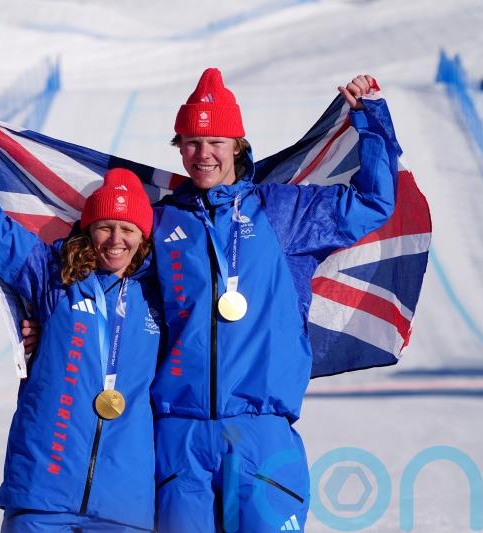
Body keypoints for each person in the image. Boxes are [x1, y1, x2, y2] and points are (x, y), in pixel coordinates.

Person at [149, 69, 398, 531]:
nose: (203, 154)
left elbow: (373, 203)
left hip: (261, 433)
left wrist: (370, 120)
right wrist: (42, 327)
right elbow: (110, 292)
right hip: (178, 438)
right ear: (179, 147)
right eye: (191, 142)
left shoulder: (281, 211)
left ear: (237, 145)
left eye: (215, 141)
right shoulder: (159, 224)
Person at [0, 105, 163, 532]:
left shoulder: (162, 296)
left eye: (128, 229)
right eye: (105, 226)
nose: (116, 240)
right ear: (88, 229)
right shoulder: (51, 275)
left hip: (123, 503)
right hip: (43, 489)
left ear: (144, 237)